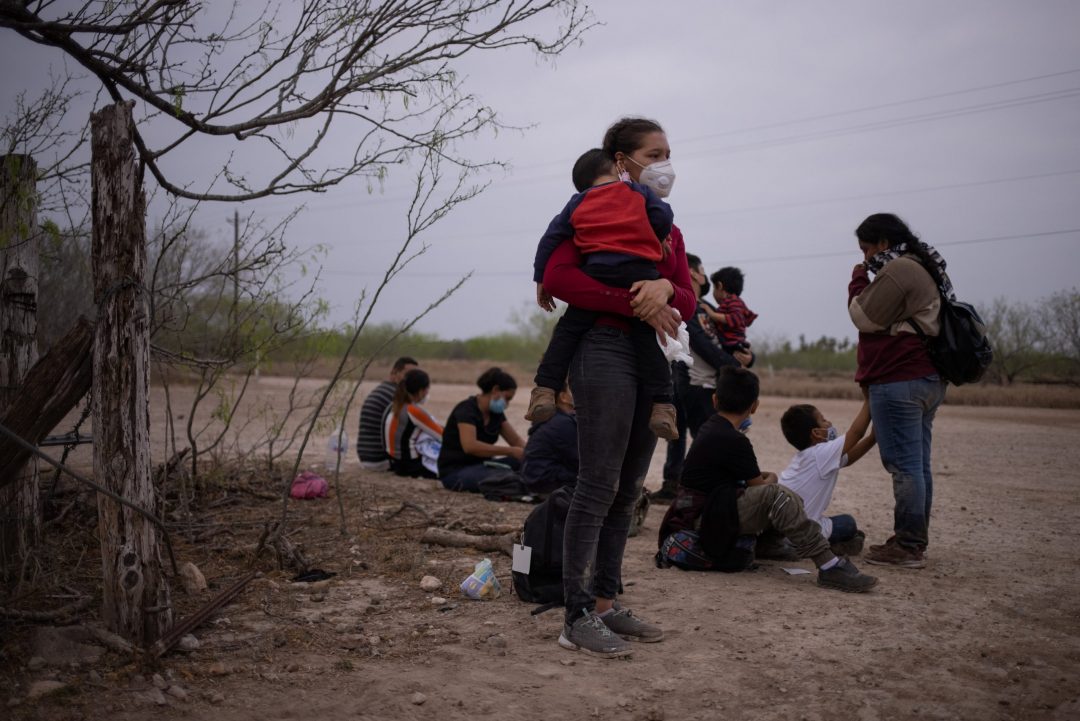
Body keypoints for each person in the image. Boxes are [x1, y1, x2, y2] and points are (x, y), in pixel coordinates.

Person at [540, 117, 696, 659]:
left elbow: (688, 299)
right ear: (621, 159)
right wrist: (638, 299)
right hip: (602, 349)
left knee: (629, 488)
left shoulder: (664, 226)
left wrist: (665, 288)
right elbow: (558, 278)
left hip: (651, 355)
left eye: (669, 153)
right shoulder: (587, 210)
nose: (664, 165)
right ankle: (576, 615)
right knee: (598, 483)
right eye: (654, 155)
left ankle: (605, 603)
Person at [658, 367, 878, 592]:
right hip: (704, 519)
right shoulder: (734, 440)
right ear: (754, 406)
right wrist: (770, 479)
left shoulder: (711, 428)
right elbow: (762, 489)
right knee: (779, 495)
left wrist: (765, 480)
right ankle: (829, 565)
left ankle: (772, 545)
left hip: (700, 513)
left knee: (779, 494)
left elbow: (740, 480)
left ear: (715, 400)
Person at [528, 148, 677, 440]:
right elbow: (663, 215)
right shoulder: (636, 192)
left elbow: (551, 237)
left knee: (567, 331)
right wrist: (656, 236)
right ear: (615, 166)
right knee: (648, 337)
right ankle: (663, 406)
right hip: (640, 275)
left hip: (598, 271)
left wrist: (539, 277)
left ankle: (545, 390)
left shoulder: (578, 201)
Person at [848, 213, 949, 569]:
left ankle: (907, 546)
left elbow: (862, 315)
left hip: (899, 379)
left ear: (882, 244)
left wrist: (858, 278)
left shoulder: (900, 270)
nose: (864, 258)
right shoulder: (923, 265)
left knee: (905, 466)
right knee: (917, 465)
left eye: (866, 249)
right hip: (926, 379)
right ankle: (913, 540)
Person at [779, 399, 876, 556]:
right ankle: (818, 547)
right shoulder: (820, 453)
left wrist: (873, 437)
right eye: (823, 420)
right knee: (848, 523)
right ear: (816, 433)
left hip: (781, 531)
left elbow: (848, 458)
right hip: (803, 532)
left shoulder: (806, 457)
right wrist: (869, 399)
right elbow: (856, 433)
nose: (829, 423)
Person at [684, 259, 751, 441]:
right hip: (699, 388)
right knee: (706, 445)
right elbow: (705, 347)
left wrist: (749, 357)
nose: (704, 274)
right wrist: (736, 365)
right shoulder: (686, 308)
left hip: (717, 386)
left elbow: (731, 338)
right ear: (692, 273)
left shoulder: (712, 309)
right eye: (702, 270)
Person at [437, 367, 526, 492]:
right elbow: (470, 446)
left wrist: (534, 454)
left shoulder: (496, 414)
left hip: (483, 465)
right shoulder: (466, 410)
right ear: (495, 390)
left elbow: (515, 440)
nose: (507, 404)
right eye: (507, 398)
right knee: (505, 478)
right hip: (457, 471)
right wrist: (510, 451)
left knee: (526, 464)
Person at [356, 356, 418, 470]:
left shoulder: (382, 390)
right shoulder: (396, 395)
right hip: (380, 460)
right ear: (394, 373)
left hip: (366, 458)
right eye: (408, 375)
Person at [520, 382, 578, 495]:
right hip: (544, 481)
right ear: (563, 397)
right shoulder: (562, 423)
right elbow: (577, 459)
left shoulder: (554, 418)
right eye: (572, 390)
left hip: (534, 477)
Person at [384, 369, 442, 479]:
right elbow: (442, 435)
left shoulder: (396, 406)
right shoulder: (413, 411)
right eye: (427, 389)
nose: (427, 393)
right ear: (421, 391)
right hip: (411, 466)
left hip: (396, 463)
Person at [706, 266, 757, 354]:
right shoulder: (733, 302)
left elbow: (735, 318)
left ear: (719, 286)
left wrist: (711, 314)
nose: (713, 293)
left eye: (714, 288)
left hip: (732, 344)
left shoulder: (734, 301)